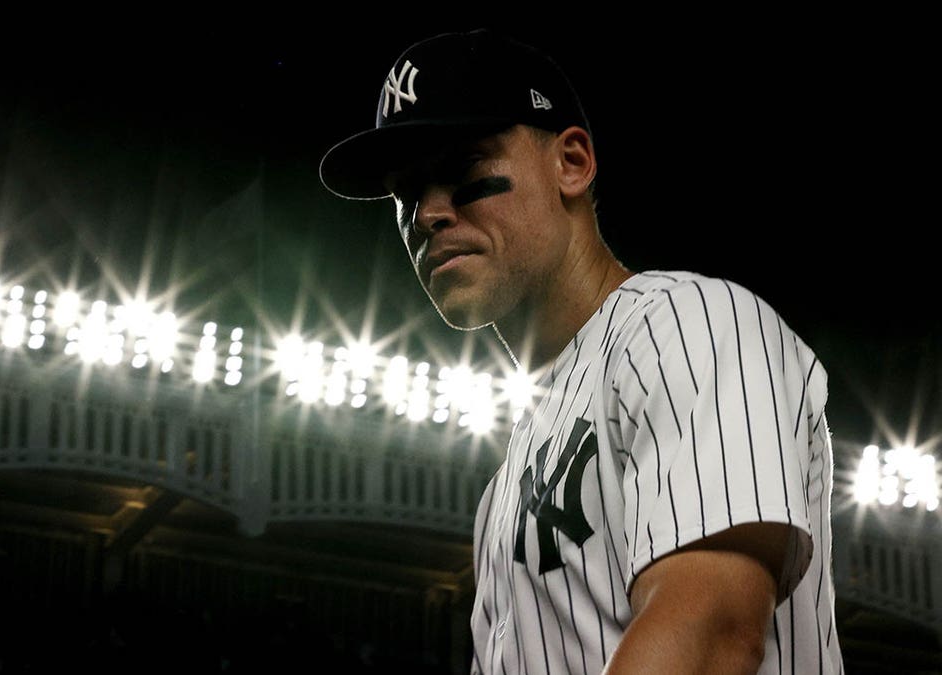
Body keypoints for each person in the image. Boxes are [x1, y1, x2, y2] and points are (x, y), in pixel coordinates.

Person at [318, 29, 843, 674]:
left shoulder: (689, 324)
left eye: (463, 171)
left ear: (571, 163)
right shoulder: (503, 491)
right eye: (405, 195)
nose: (427, 213)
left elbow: (713, 633)